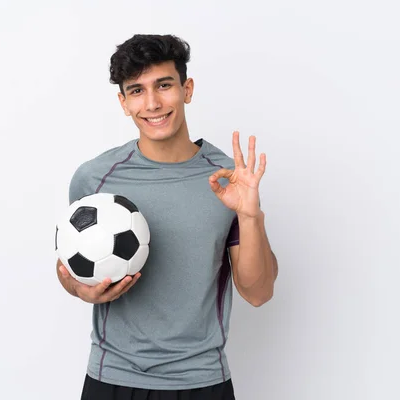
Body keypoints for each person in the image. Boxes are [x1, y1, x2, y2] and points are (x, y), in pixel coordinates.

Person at [56, 34, 279, 400]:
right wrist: (80, 289)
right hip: (113, 377)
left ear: (187, 89)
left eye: (164, 85)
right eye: (137, 91)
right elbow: (68, 267)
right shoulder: (95, 178)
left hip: (201, 381)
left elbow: (258, 293)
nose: (153, 103)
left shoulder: (229, 178)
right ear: (123, 103)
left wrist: (251, 216)